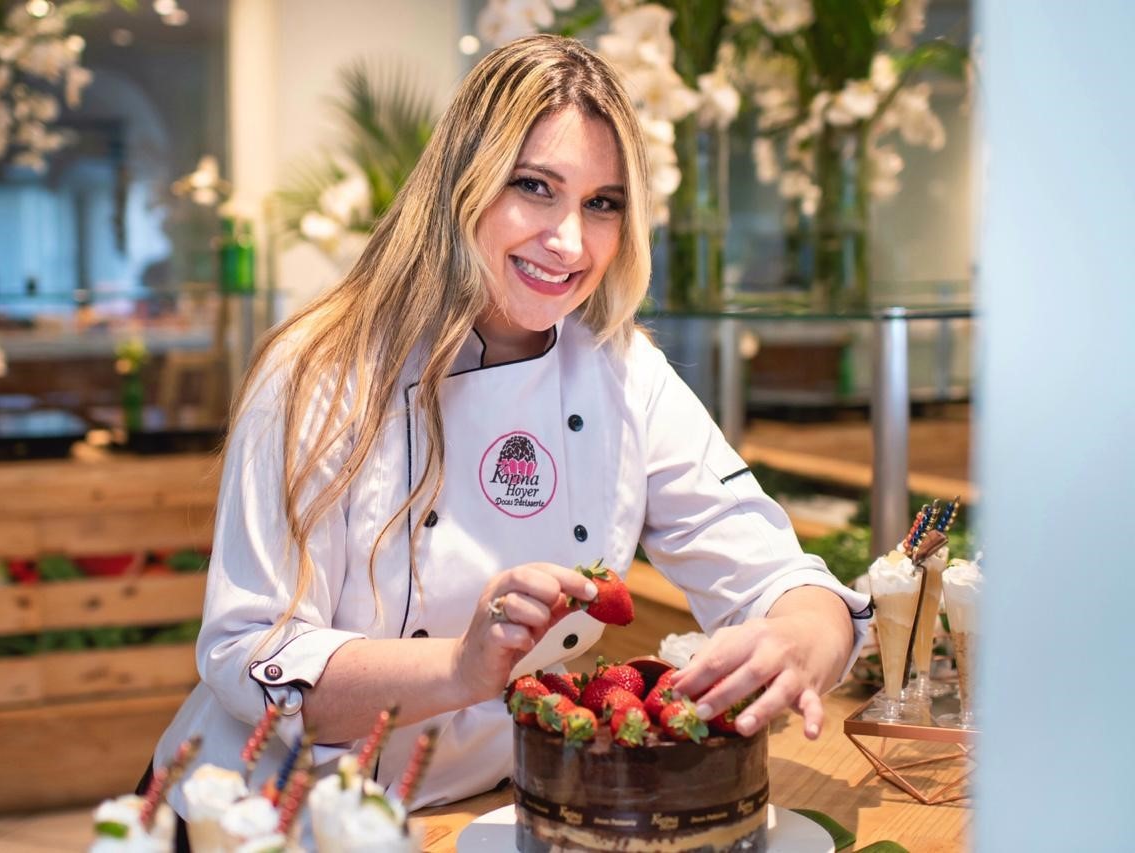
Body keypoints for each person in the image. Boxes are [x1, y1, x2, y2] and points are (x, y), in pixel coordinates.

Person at [152, 34, 870, 817]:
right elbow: (249, 656)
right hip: (277, 814)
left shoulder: (622, 375)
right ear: (463, 185)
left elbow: (779, 577)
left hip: (488, 811)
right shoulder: (317, 372)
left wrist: (802, 639)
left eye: (603, 203)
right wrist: (461, 670)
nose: (569, 241)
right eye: (535, 187)